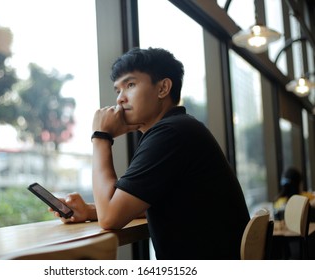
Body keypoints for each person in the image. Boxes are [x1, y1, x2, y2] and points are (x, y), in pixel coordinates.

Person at [52, 47, 250, 260]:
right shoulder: (181, 127)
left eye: (130, 85)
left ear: (163, 88)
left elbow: (110, 218)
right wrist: (90, 211)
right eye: (117, 90)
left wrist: (101, 137)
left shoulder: (169, 134)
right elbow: (144, 205)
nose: (120, 99)